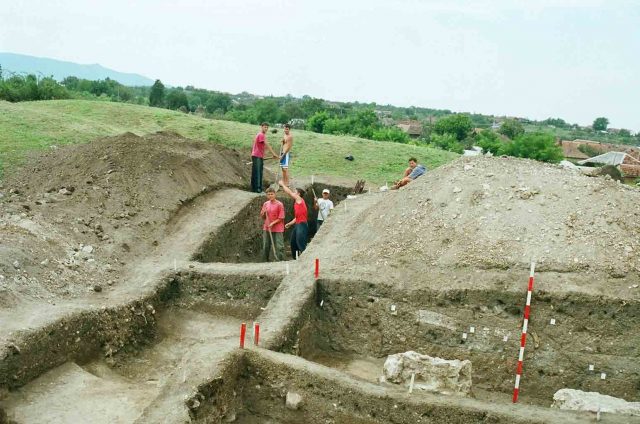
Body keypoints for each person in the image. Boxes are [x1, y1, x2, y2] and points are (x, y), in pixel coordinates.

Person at [279, 180, 308, 259]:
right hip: (298, 224)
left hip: (302, 225)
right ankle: (296, 259)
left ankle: (305, 258)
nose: (293, 193)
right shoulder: (297, 203)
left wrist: (282, 184)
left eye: (295, 192)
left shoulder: (300, 200)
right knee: (293, 242)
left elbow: (289, 192)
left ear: (298, 194)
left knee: (300, 242)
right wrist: (290, 223)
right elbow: (297, 217)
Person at [251, 122, 279, 193]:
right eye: (264, 127)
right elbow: (267, 144)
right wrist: (274, 154)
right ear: (261, 127)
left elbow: (260, 146)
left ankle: (254, 189)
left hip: (257, 155)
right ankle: (258, 189)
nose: (266, 128)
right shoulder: (261, 135)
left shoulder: (260, 134)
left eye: (267, 127)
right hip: (257, 156)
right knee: (258, 173)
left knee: (256, 172)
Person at [260, 187, 285, 261]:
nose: (270, 196)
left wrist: (272, 223)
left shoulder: (279, 204)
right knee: (266, 246)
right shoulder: (265, 204)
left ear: (275, 194)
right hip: (267, 228)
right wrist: (263, 213)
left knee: (279, 246)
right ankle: (265, 261)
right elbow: (262, 216)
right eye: (268, 194)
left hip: (277, 228)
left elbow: (281, 217)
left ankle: (280, 260)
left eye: (272, 194)